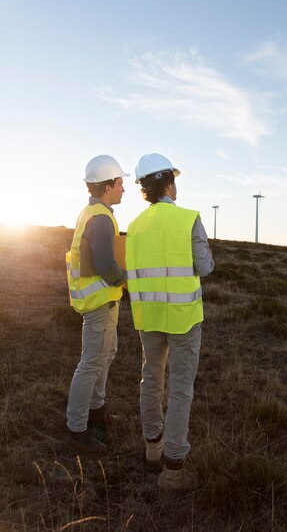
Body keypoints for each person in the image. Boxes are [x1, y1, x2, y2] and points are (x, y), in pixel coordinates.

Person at [126, 153, 214, 490]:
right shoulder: (188, 219)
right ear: (169, 182)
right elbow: (204, 267)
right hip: (183, 318)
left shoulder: (134, 226)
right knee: (180, 389)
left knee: (150, 379)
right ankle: (174, 469)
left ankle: (153, 449)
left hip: (148, 317)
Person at [65, 154, 129, 456]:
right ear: (107, 186)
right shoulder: (101, 218)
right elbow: (106, 265)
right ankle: (76, 429)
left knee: (105, 355)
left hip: (102, 302)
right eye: (119, 183)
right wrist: (126, 279)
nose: (123, 189)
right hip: (99, 303)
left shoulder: (93, 212)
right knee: (91, 362)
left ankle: (96, 411)